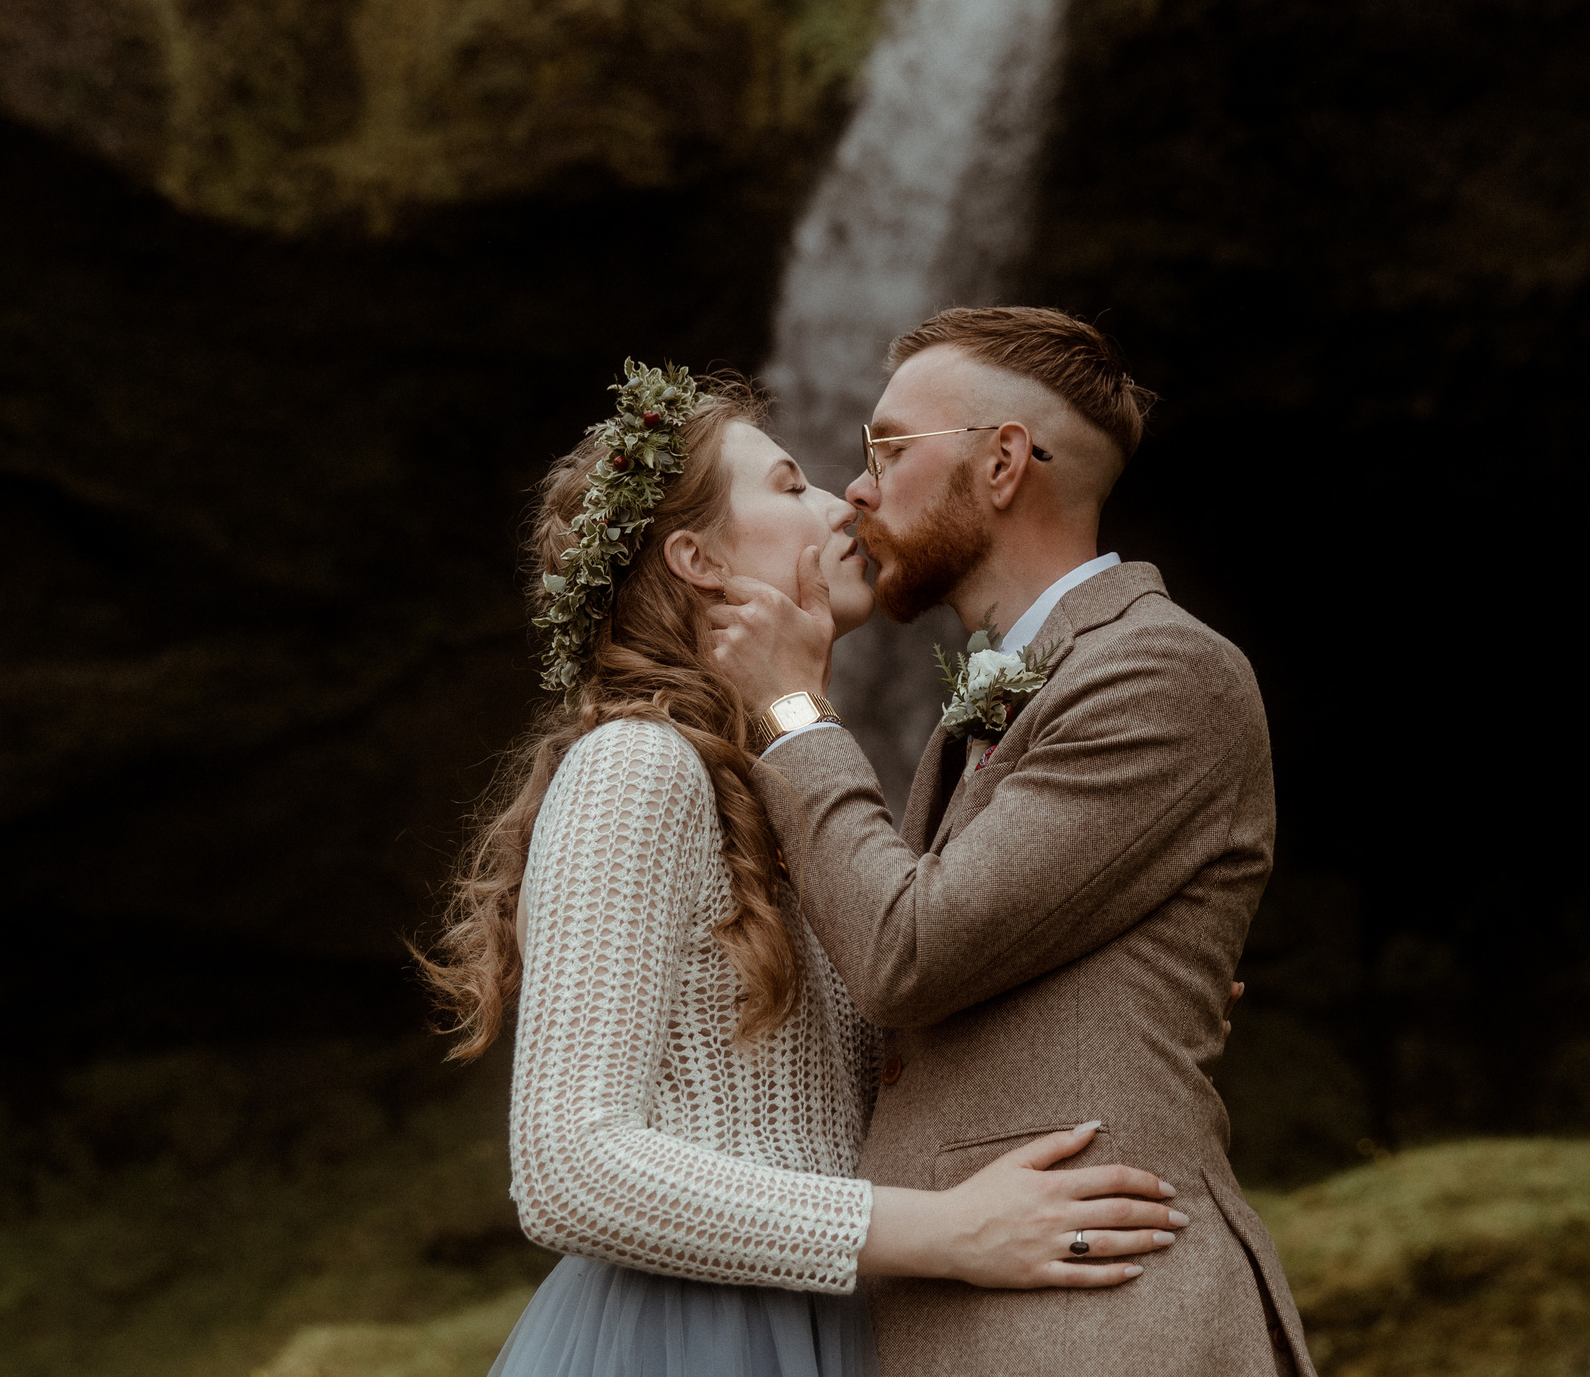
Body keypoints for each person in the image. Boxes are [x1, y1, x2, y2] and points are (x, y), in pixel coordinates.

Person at [421, 362, 1191, 1377]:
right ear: (697, 557)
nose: (846, 504)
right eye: (792, 487)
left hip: (823, 1325)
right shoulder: (639, 765)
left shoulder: (779, 780)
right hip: (689, 1342)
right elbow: (569, 1171)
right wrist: (946, 1232)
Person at [705, 309, 1315, 1377]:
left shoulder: (1161, 671)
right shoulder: (991, 701)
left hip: (1100, 1320)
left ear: (999, 464)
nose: (855, 491)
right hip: (981, 1307)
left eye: (888, 450)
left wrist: (794, 713)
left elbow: (907, 953)